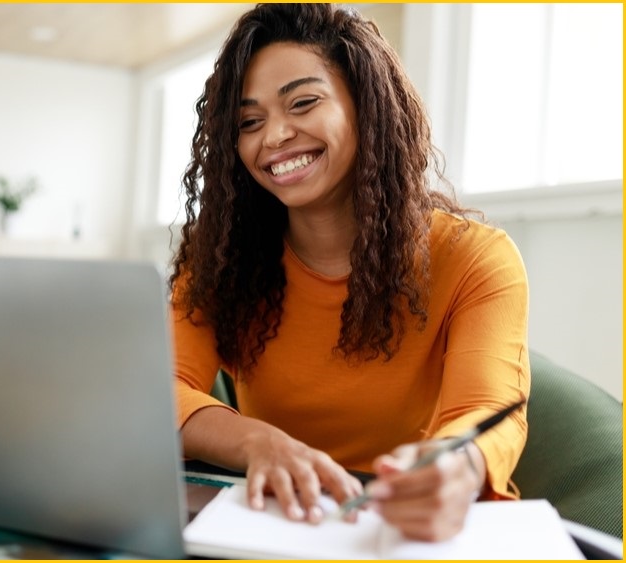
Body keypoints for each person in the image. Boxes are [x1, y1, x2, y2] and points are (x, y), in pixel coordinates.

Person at [169, 3, 529, 542]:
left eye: (303, 102)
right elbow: (163, 388)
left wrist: (458, 467)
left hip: (408, 532)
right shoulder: (220, 258)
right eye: (249, 122)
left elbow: (486, 411)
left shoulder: (477, 259)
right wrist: (257, 442)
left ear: (367, 106)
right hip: (271, 523)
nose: (274, 137)